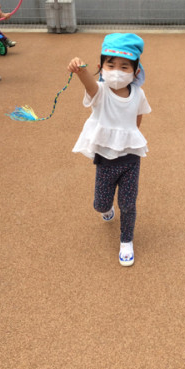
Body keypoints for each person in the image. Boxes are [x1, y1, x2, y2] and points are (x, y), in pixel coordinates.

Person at [67, 33, 151, 267]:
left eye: (124, 66)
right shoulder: (100, 92)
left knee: (128, 204)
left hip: (131, 158)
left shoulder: (138, 94)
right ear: (101, 67)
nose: (116, 70)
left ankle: (126, 240)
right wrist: (79, 69)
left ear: (135, 72)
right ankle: (106, 210)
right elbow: (88, 82)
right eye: (110, 64)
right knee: (101, 205)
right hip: (105, 159)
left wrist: (131, 139)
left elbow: (138, 117)